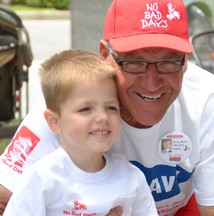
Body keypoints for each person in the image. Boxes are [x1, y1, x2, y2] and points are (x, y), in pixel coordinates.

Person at [0, 0, 214, 215]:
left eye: (168, 61)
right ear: (104, 55)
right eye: (134, 62)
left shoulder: (210, 101)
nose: (152, 83)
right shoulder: (67, 106)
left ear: (185, 61)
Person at [3, 50, 158, 216]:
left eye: (111, 107)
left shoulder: (132, 177)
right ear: (54, 121)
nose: (102, 117)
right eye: (85, 109)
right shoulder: (40, 180)